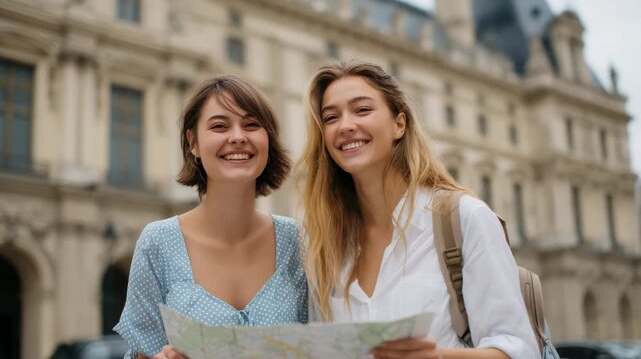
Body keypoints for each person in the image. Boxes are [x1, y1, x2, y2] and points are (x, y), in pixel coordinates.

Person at [300, 61, 540, 359]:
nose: (345, 125)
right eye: (331, 117)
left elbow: (519, 351)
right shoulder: (324, 243)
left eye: (362, 110)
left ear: (399, 124)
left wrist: (437, 356)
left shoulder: (464, 218)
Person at [114, 75, 308, 359]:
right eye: (219, 126)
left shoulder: (294, 240)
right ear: (193, 143)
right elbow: (144, 353)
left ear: (268, 139)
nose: (238, 136)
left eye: (252, 125)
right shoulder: (158, 241)